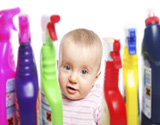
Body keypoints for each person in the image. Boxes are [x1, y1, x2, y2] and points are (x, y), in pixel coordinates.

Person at [58, 28, 103, 125]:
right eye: (67, 67)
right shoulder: (53, 93)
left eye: (83, 71)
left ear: (95, 78)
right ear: (58, 66)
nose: (73, 79)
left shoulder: (98, 100)